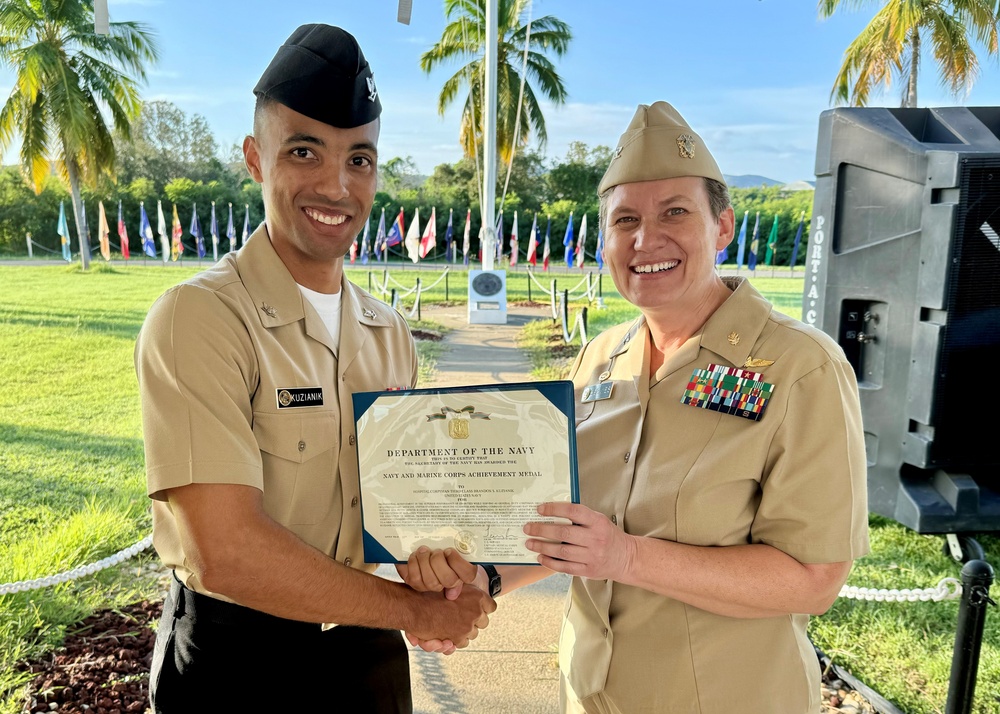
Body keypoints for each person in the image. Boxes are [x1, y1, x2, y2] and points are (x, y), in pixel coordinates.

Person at [401, 101, 869, 714]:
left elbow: (814, 579)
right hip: (589, 693)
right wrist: (479, 584)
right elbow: (566, 529)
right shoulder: (599, 359)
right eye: (625, 221)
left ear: (722, 226)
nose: (647, 240)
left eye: (675, 212)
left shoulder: (802, 367)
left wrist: (625, 557)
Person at [134, 24, 495, 714]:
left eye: (359, 159)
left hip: (367, 652)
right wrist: (417, 613)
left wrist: (453, 569)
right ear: (254, 158)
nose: (337, 184)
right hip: (239, 661)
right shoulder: (199, 319)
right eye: (305, 151)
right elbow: (228, 552)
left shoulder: (387, 331)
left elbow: (401, 509)